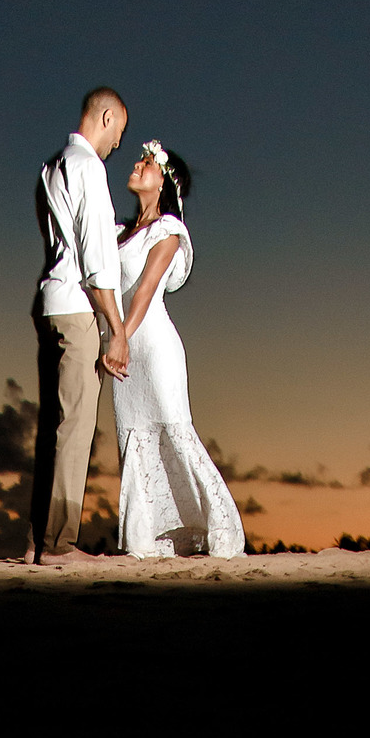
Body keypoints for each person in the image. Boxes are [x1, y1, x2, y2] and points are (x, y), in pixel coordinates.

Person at [111, 140, 245, 558]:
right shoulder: (117, 233)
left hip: (151, 348)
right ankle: (145, 540)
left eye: (147, 163)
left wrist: (120, 338)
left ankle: (214, 528)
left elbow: (146, 291)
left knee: (173, 430)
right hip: (121, 346)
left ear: (164, 183)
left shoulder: (168, 231)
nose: (137, 165)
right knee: (133, 439)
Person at [30, 87, 131, 564]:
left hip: (48, 303)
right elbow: (94, 263)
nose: (118, 145)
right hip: (76, 306)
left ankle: (38, 537)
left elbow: (72, 237)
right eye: (120, 133)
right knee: (75, 428)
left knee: (52, 423)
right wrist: (117, 327)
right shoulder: (90, 166)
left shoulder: (52, 166)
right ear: (106, 117)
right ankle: (58, 543)